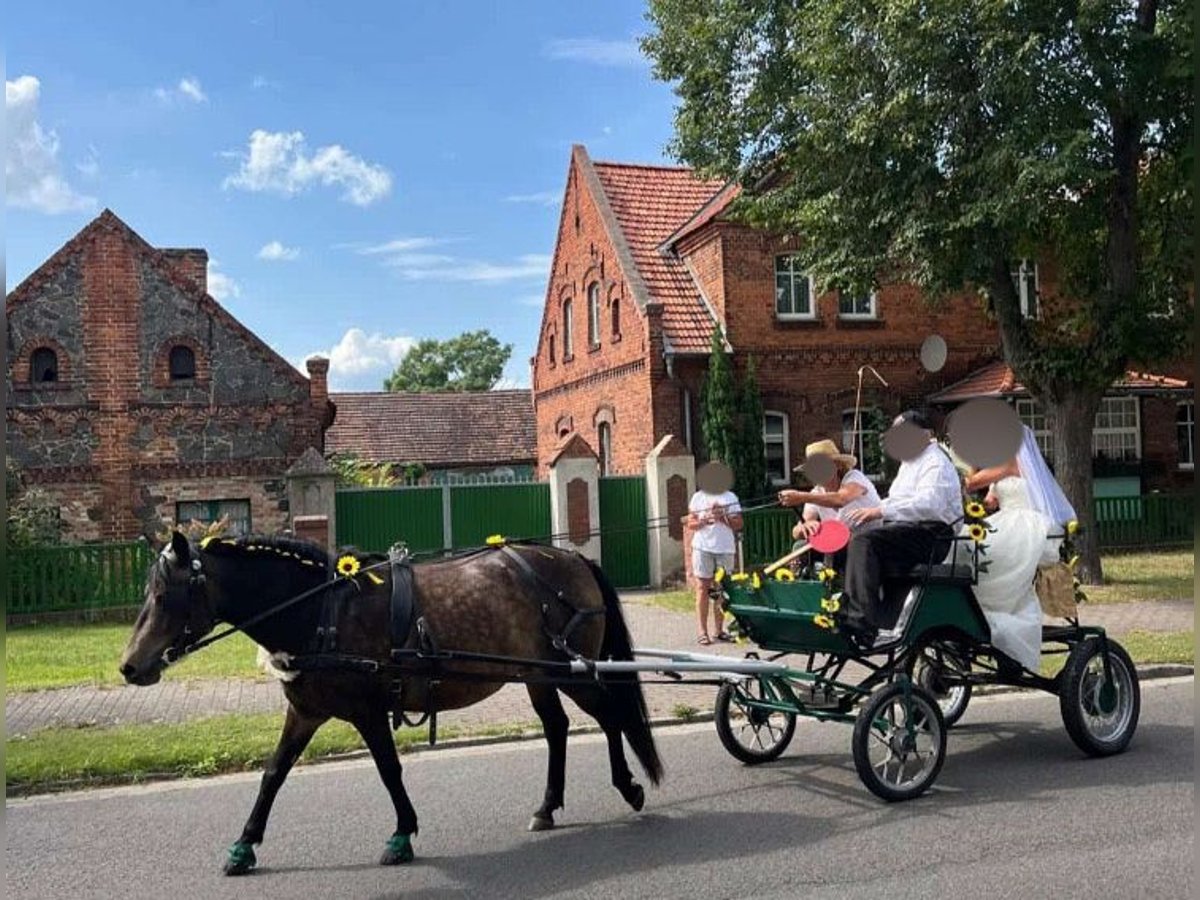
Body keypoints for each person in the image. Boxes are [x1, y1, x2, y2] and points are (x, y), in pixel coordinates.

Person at [840, 409, 963, 646]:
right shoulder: (910, 463)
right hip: (911, 533)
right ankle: (867, 612)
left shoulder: (935, 462)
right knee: (856, 541)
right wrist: (868, 513)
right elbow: (897, 501)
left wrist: (879, 511)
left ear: (924, 435)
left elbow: (929, 505)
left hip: (932, 536)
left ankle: (861, 621)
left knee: (866, 542)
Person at [961, 425, 1073, 671]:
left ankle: (997, 616)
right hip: (1005, 517)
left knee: (988, 551)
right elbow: (990, 501)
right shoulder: (1004, 466)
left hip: (1025, 520)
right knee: (970, 544)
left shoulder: (1011, 463)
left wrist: (969, 463)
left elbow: (970, 483)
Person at [777, 438, 881, 571]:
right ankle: (802, 584)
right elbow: (797, 531)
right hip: (837, 549)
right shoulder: (815, 494)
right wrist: (805, 527)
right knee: (800, 546)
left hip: (869, 545)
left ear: (837, 465)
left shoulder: (854, 478)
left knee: (836, 548)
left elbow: (840, 499)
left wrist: (801, 497)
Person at [688, 463, 742, 645]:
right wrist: (703, 520)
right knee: (703, 588)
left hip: (725, 548)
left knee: (721, 589)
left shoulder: (730, 497)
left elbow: (739, 524)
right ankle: (702, 631)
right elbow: (690, 523)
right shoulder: (698, 497)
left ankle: (719, 630)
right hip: (703, 547)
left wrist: (724, 516)